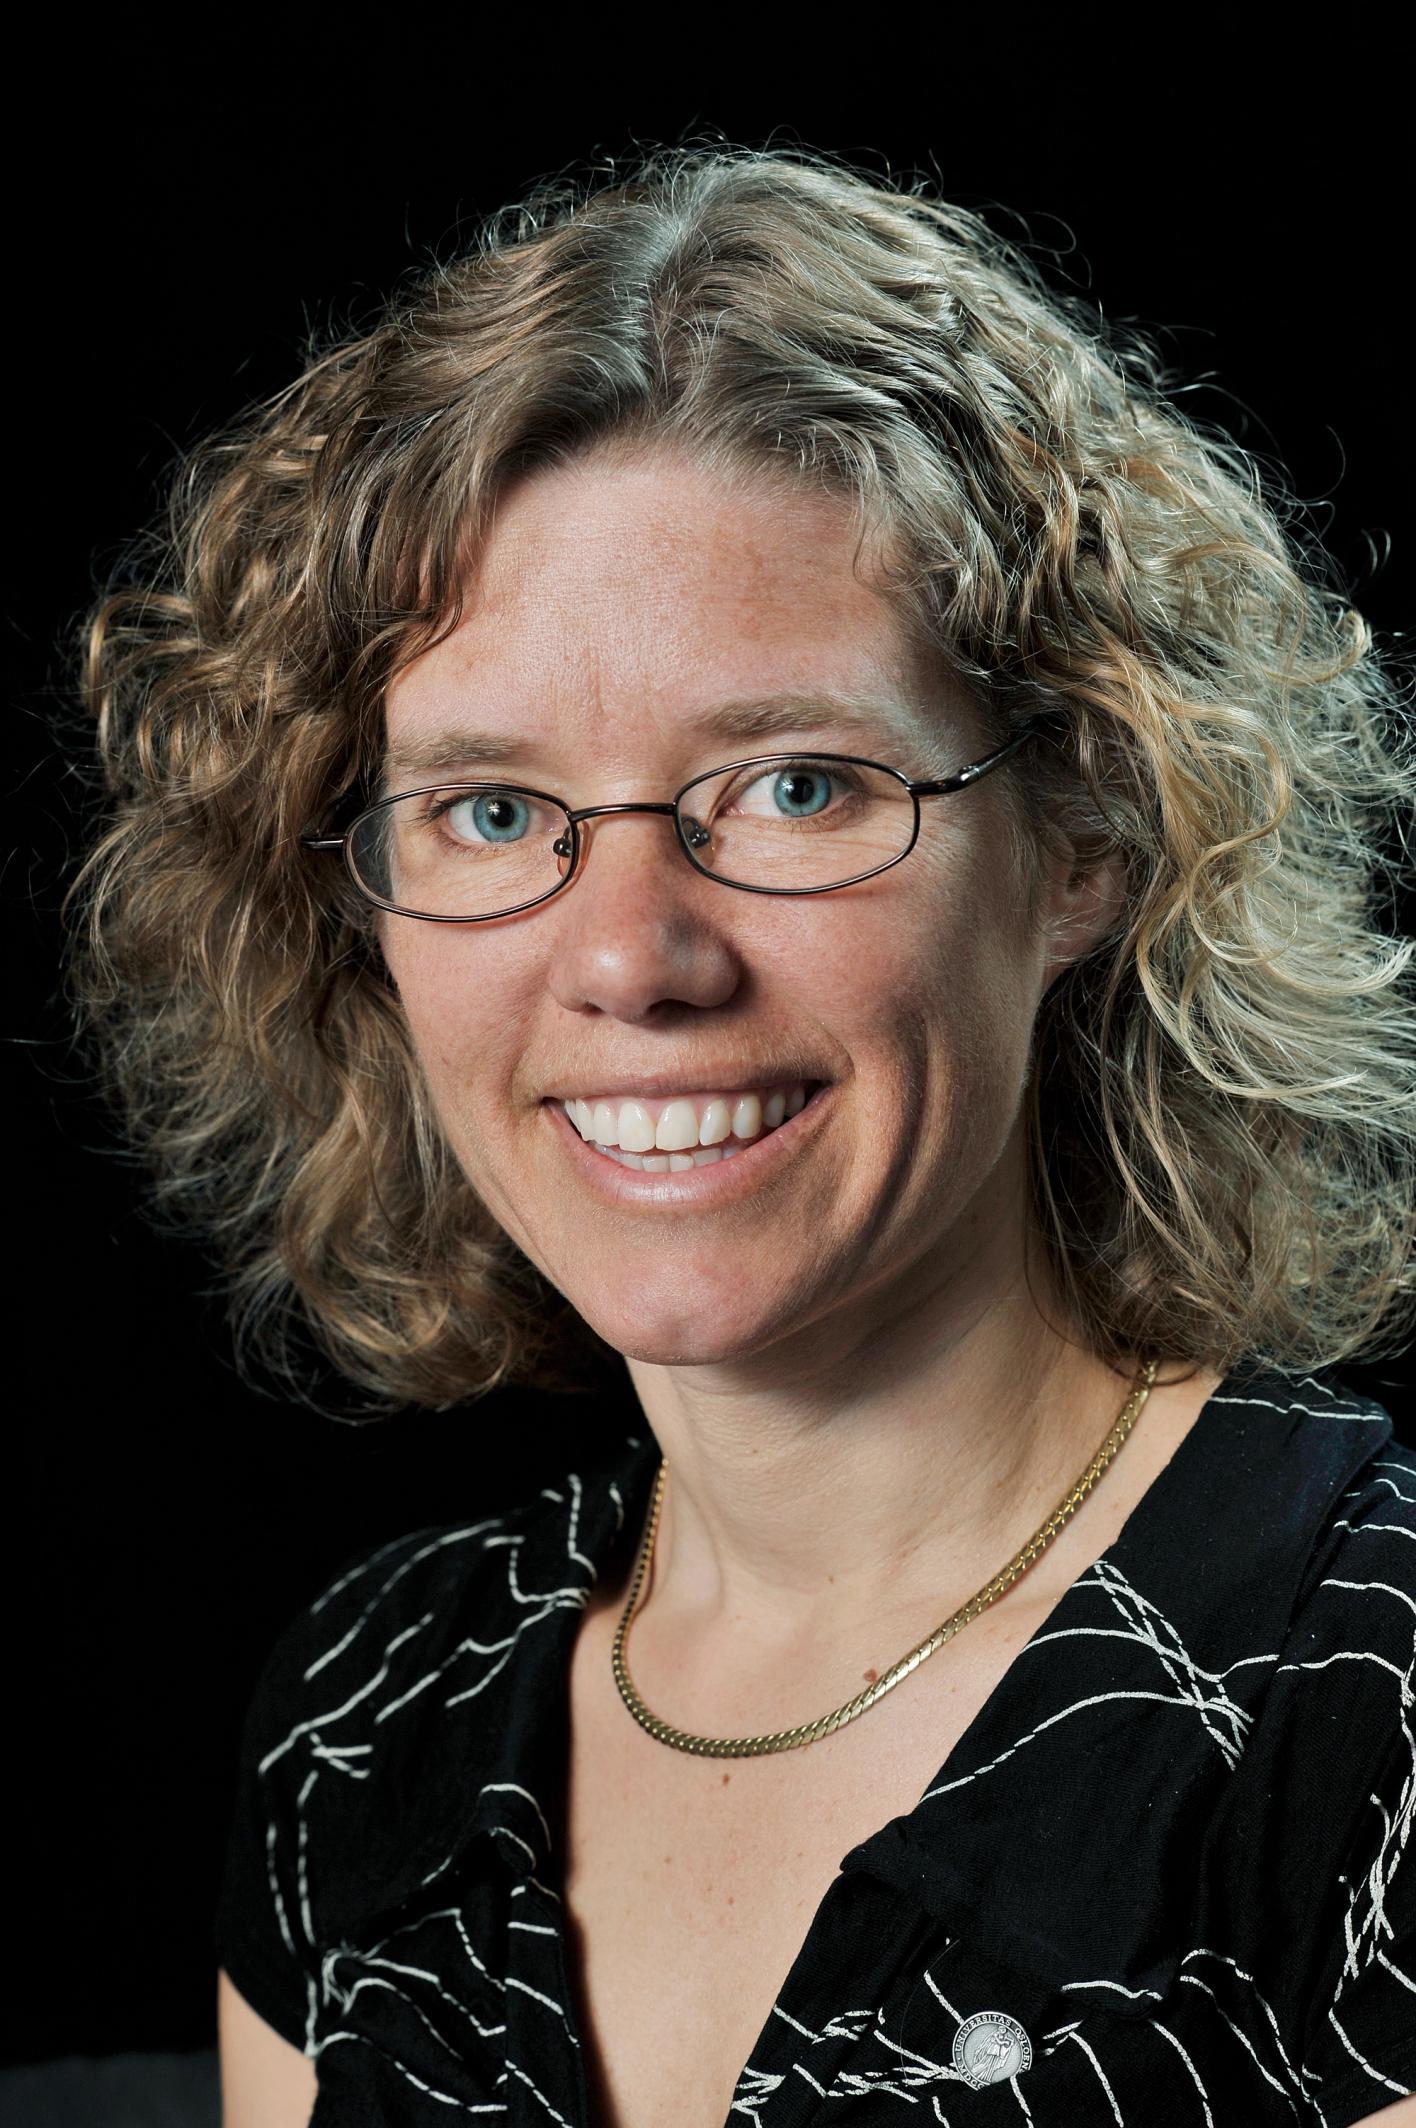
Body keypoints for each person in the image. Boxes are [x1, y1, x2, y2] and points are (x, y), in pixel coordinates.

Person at [63, 142, 1416, 2127]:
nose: (628, 955)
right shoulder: (367, 1726)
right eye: (495, 810)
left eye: (793, 783)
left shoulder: (1374, 1717)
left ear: (1093, 838)